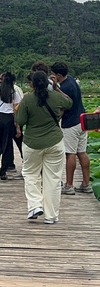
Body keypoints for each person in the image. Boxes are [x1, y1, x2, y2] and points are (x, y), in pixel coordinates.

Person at [15, 71, 72, 223]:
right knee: (53, 179)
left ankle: (35, 205)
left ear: (32, 84)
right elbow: (69, 102)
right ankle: (51, 216)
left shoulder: (27, 99)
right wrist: (57, 88)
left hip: (32, 143)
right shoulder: (56, 97)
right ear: (47, 83)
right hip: (55, 142)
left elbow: (20, 119)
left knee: (30, 174)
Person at [51, 62, 92, 194]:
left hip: (71, 123)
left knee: (70, 154)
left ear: (58, 75)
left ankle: (69, 185)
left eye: (53, 74)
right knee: (82, 152)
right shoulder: (71, 79)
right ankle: (86, 184)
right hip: (82, 121)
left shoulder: (65, 87)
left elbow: (63, 108)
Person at [0, 72, 21, 180]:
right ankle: (3, 172)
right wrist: (17, 127)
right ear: (13, 82)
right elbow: (15, 111)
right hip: (9, 119)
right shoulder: (14, 94)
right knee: (7, 146)